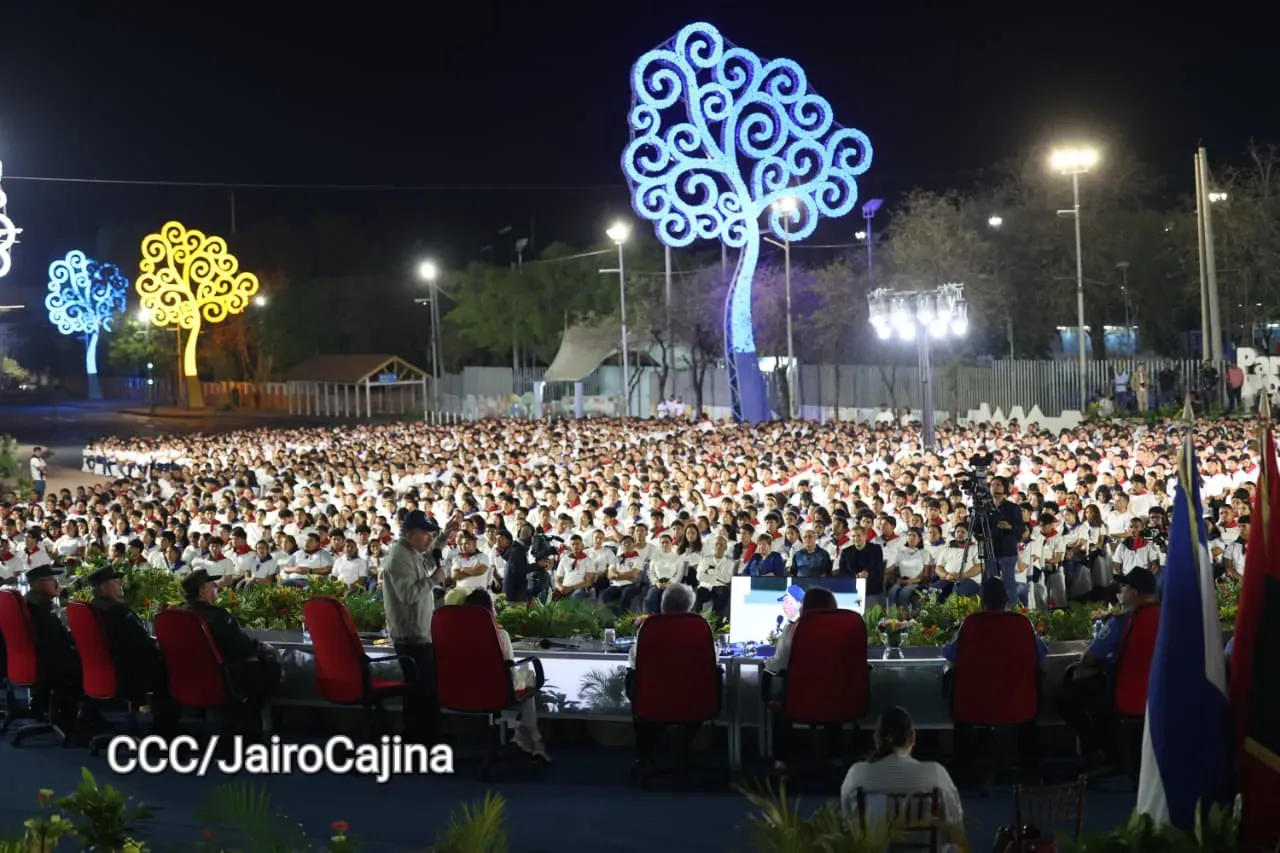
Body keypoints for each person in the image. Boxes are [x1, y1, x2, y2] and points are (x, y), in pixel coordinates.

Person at [1055, 567, 1159, 758]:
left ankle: (1102, 749)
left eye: (1124, 587)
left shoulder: (1122, 621)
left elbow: (1088, 658)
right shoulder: (1168, 619)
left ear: (1135, 593)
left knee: (1066, 697)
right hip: (1162, 695)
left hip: (1124, 692)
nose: (1120, 592)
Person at [180, 569, 281, 736]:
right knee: (268, 669)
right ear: (202, 591)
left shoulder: (178, 614)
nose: (216, 587)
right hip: (222, 679)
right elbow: (240, 647)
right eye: (212, 585)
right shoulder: (216, 616)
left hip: (186, 679)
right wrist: (263, 649)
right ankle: (251, 741)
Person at [86, 564, 180, 735]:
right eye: (115, 580)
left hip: (109, 668)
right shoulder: (116, 611)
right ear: (104, 587)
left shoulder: (93, 608)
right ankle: (164, 733)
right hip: (130, 671)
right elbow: (139, 642)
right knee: (170, 670)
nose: (120, 583)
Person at [840, 707, 963, 834]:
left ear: (876, 738)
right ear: (913, 738)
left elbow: (847, 826)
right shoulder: (936, 774)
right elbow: (954, 822)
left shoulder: (856, 774)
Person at [462, 589, 547, 761]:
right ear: (489, 611)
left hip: (460, 693)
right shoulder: (500, 635)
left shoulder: (455, 635)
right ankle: (532, 739)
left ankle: (521, 737)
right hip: (494, 693)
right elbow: (509, 669)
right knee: (527, 676)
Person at [382, 510, 443, 744]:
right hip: (410, 638)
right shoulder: (398, 557)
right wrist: (433, 581)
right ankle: (420, 743)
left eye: (431, 534)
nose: (429, 538)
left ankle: (423, 739)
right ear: (409, 534)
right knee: (421, 693)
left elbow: (427, 561)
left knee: (423, 691)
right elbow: (408, 594)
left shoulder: (411, 552)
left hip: (419, 635)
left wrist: (445, 536)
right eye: (425, 534)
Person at [22, 564, 82, 732]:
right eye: (51, 579)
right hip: (50, 664)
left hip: (38, 661)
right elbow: (58, 639)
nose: (57, 583)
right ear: (37, 583)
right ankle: (78, 718)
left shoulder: (31, 601)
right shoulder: (39, 606)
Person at [987, 477, 1025, 607]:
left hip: (1007, 551)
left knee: (1009, 583)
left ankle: (1013, 610)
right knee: (989, 583)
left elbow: (1021, 529)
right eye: (992, 485)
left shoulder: (1012, 508)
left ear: (1005, 488)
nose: (995, 487)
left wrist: (1009, 527)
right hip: (989, 550)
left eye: (998, 485)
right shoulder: (986, 507)